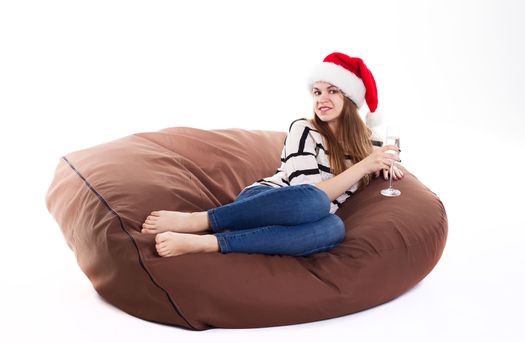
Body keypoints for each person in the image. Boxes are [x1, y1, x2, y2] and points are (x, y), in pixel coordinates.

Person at [140, 52, 403, 258]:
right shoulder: (304, 129)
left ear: (351, 99)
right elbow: (308, 195)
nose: (321, 99)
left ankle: (209, 242)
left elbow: (388, 163)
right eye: (317, 91)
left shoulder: (373, 142)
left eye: (332, 91)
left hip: (308, 221)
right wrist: (364, 166)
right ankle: (202, 219)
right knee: (315, 203)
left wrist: (387, 167)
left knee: (333, 228)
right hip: (266, 202)